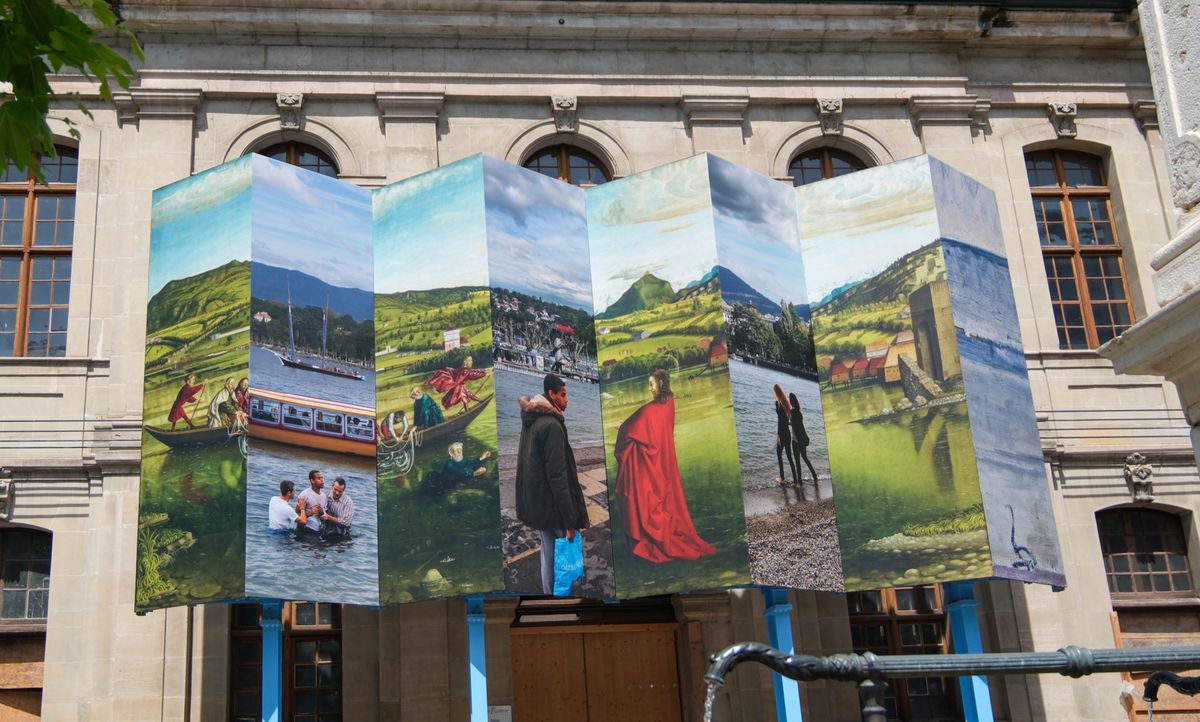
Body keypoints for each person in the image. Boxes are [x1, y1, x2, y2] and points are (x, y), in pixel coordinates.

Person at [613, 368, 715, 563]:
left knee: (642, 496)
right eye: (649, 385)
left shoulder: (654, 409)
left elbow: (630, 428)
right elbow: (643, 427)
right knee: (660, 497)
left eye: (652, 384)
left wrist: (623, 428)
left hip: (654, 462)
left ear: (660, 384)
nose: (650, 389)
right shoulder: (669, 403)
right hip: (662, 461)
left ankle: (649, 535)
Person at [515, 373, 590, 595]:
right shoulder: (552, 425)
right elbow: (558, 476)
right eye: (563, 395)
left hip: (538, 502)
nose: (567, 400)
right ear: (551, 395)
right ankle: (561, 595)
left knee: (548, 552)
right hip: (553, 505)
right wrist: (569, 519)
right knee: (563, 551)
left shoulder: (532, 419)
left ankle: (550, 596)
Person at [789, 392, 819, 488]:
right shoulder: (799, 412)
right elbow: (797, 425)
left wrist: (788, 423)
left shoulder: (792, 411)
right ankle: (814, 475)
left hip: (795, 441)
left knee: (797, 461)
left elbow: (792, 423)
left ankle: (799, 481)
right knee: (805, 458)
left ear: (790, 401)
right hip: (801, 440)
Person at [773, 384, 799, 488]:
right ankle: (796, 482)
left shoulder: (778, 403)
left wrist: (778, 436)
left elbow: (780, 421)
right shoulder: (787, 403)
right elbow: (787, 420)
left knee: (779, 456)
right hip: (787, 434)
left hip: (782, 433)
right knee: (790, 458)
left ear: (776, 392)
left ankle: (782, 479)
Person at [296, 469, 327, 539]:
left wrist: (321, 512)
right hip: (305, 530)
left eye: (322, 478)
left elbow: (323, 516)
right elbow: (296, 515)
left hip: (317, 531)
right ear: (312, 481)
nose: (322, 480)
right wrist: (311, 513)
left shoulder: (324, 496)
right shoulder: (304, 495)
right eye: (319, 478)